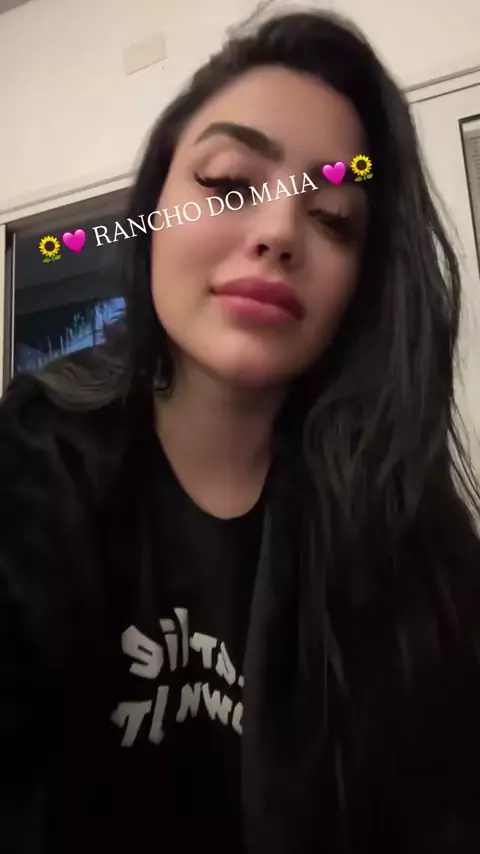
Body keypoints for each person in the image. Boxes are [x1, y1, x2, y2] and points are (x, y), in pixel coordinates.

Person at [2, 8, 480, 854]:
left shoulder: (414, 543)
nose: (279, 231)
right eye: (228, 185)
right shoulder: (30, 465)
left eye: (333, 216)